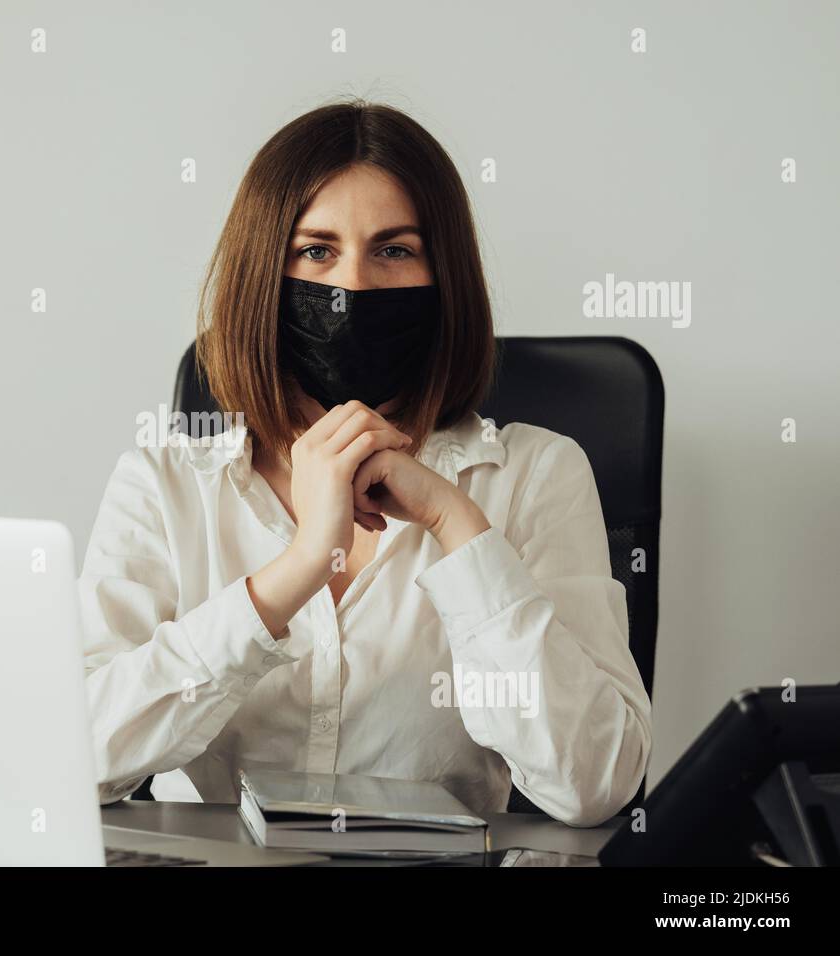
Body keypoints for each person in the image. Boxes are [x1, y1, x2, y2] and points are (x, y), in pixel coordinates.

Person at [78, 99, 651, 827]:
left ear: (443, 276)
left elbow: (597, 784)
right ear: (264, 275)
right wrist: (296, 569)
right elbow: (75, 755)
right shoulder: (161, 486)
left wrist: (456, 524)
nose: (353, 288)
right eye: (316, 251)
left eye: (395, 250)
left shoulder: (539, 475)